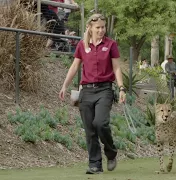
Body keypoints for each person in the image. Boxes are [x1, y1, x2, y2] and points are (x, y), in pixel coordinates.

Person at [58, 13, 126, 174]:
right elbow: (75, 67)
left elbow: (116, 67)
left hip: (105, 90)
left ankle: (111, 153)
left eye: (103, 27)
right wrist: (65, 86)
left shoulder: (111, 44)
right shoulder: (82, 45)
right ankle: (95, 164)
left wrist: (122, 88)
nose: (101, 30)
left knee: (100, 123)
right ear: (89, 28)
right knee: (90, 129)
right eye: (98, 27)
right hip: (86, 91)